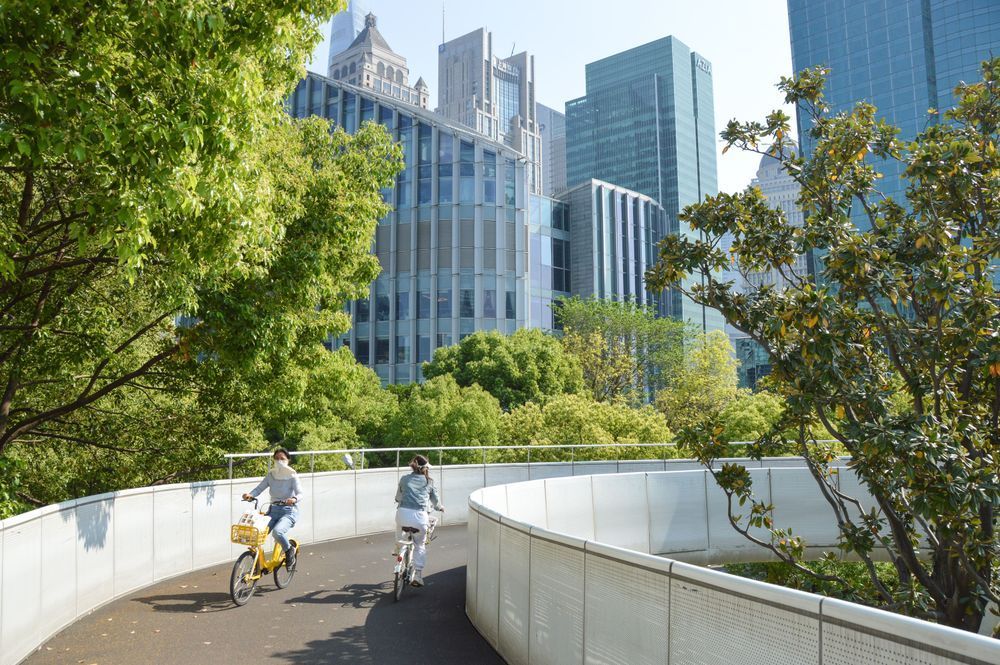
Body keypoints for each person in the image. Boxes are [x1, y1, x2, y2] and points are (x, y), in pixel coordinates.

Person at [242, 448, 302, 569]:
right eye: (277, 458)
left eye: (282, 459)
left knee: (277, 532)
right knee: (257, 533)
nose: (279, 461)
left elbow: (300, 493)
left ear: (288, 460)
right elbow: (259, 488)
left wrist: (294, 499)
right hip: (273, 511)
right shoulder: (271, 475)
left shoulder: (292, 476)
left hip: (288, 511)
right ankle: (256, 563)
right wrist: (250, 495)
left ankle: (289, 550)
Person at [394, 455, 444, 587]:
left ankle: (399, 548)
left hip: (403, 514)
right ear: (426, 468)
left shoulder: (404, 479)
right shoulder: (429, 482)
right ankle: (418, 575)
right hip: (419, 517)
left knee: (400, 531)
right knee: (420, 545)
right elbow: (436, 502)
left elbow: (398, 497)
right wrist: (440, 507)